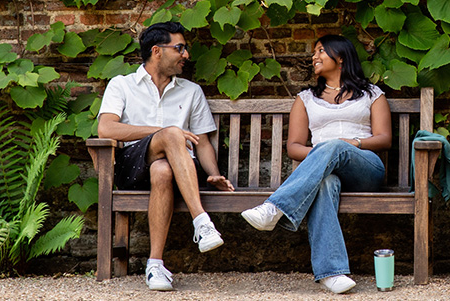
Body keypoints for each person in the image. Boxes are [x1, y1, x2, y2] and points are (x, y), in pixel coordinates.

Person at [240, 35, 391, 294]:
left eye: (321, 51)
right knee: (325, 180)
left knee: (333, 145)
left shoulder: (371, 93)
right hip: (324, 171)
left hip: (365, 167)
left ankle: (275, 206)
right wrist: (324, 154)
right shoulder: (306, 98)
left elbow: (384, 138)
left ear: (340, 57)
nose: (314, 57)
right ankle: (332, 273)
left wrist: (349, 144)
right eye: (314, 53)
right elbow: (294, 146)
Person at [96, 21, 235, 291]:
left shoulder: (191, 91)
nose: (186, 55)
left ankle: (155, 265)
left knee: (162, 169)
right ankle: (201, 221)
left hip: (178, 172)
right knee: (172, 134)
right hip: (132, 169)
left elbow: (203, 142)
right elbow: (106, 128)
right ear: (157, 51)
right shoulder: (122, 85)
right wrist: (164, 131)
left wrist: (212, 173)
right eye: (180, 48)